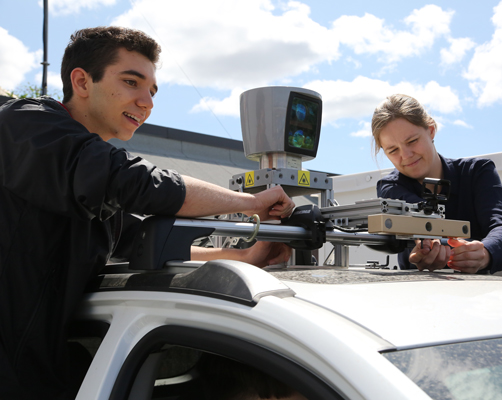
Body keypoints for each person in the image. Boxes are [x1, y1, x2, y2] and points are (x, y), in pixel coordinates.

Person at [0, 26, 294, 399]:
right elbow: (137, 182)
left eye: (152, 91)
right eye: (131, 82)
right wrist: (252, 203)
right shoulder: (24, 125)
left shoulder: (86, 185)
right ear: (82, 81)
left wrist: (243, 256)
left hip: (42, 375)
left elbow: (144, 241)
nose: (146, 102)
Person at [372, 94, 502, 274]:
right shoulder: (389, 187)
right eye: (393, 150)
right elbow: (419, 212)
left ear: (431, 130)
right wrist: (427, 243)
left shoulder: (478, 172)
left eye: (412, 141)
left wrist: (486, 252)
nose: (406, 155)